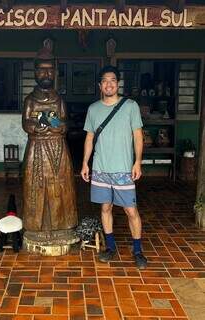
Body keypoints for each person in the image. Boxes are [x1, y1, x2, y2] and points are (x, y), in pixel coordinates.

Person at [81, 65, 147, 269]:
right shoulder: (93, 109)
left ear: (117, 83)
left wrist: (137, 161)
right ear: (100, 85)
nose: (108, 84)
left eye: (112, 80)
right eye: (104, 81)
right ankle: (110, 247)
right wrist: (85, 162)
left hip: (123, 169)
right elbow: (90, 137)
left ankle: (137, 251)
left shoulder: (130, 106)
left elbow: (137, 135)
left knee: (130, 210)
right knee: (105, 207)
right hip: (100, 169)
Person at [22, 43, 77, 234]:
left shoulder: (59, 100)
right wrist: (41, 125)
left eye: (50, 71)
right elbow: (26, 125)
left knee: (62, 185)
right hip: (36, 149)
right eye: (42, 71)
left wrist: (51, 123)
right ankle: (35, 224)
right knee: (34, 186)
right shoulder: (30, 99)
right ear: (35, 73)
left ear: (55, 73)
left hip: (58, 149)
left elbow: (63, 124)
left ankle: (63, 223)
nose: (46, 75)